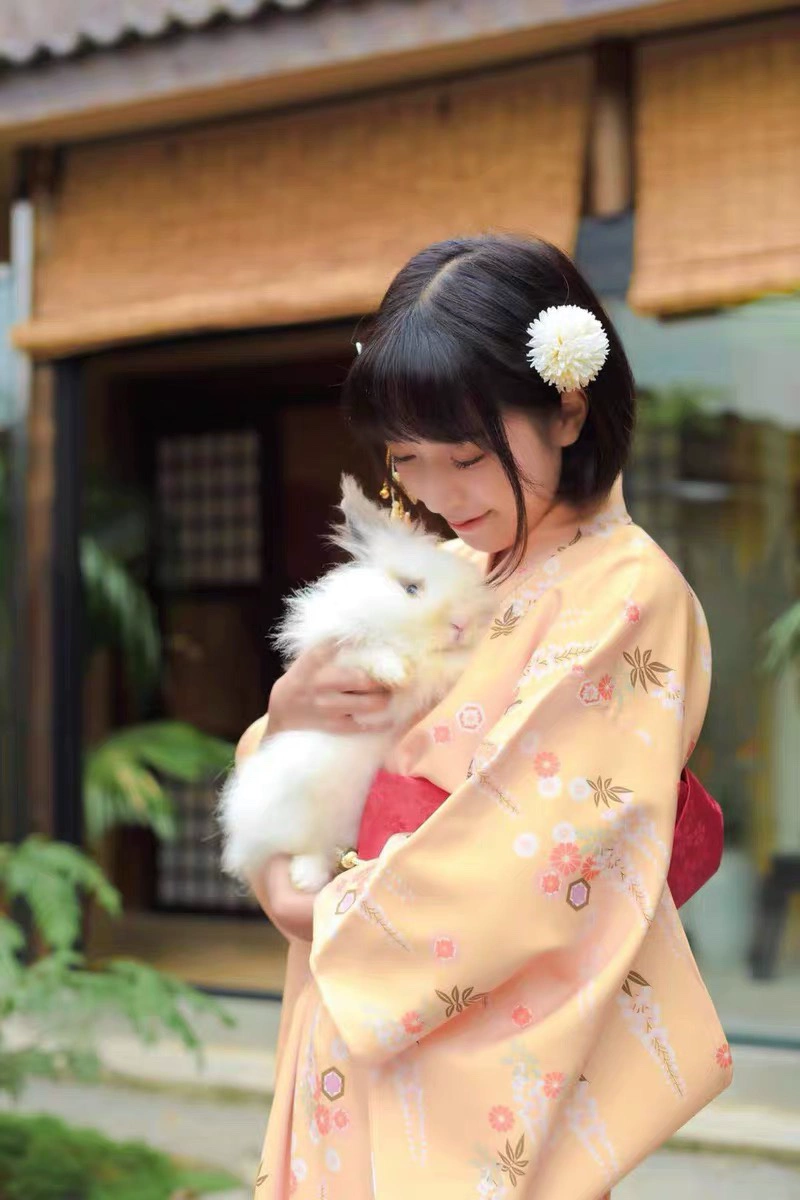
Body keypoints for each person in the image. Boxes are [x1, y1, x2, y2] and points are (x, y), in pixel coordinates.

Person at [238, 235, 731, 1199]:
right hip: (349, 1004)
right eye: (406, 459)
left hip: (460, 1040)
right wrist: (286, 719)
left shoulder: (627, 592)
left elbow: (537, 855)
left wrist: (314, 906)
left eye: (466, 456)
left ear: (569, 407)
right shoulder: (453, 575)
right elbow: (311, 760)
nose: (436, 493)